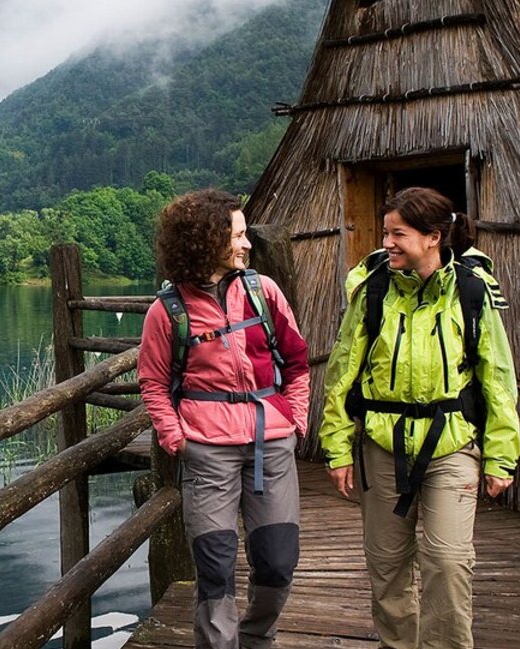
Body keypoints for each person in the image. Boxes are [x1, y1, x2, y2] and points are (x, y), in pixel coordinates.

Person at [317, 186, 520, 649]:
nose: (386, 242)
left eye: (398, 233)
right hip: (381, 446)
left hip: (452, 443)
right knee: (387, 566)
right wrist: (335, 447)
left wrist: (501, 456)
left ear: (433, 237)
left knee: (448, 562)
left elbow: (497, 376)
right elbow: (342, 373)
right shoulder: (372, 293)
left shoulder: (470, 293)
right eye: (386, 232)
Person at [138, 189, 311, 649]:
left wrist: (296, 419)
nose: (247, 243)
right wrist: (176, 437)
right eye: (237, 234)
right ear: (207, 240)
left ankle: (256, 638)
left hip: (270, 443)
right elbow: (154, 383)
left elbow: (296, 360)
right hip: (206, 450)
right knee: (214, 568)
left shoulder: (263, 292)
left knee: (277, 562)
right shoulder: (167, 312)